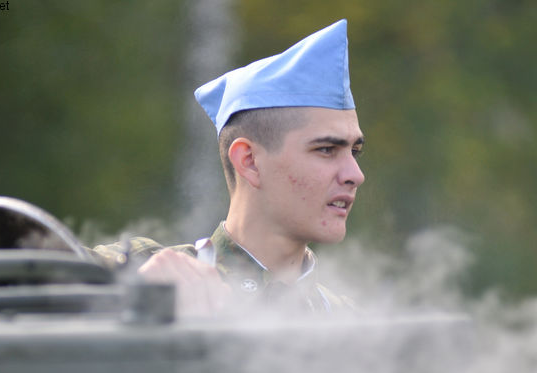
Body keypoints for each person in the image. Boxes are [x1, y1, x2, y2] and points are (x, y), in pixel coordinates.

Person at [92, 20, 365, 316]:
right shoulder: (149, 272)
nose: (355, 175)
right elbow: (53, 264)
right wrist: (131, 293)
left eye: (354, 151)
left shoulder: (350, 320)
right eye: (326, 149)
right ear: (249, 161)